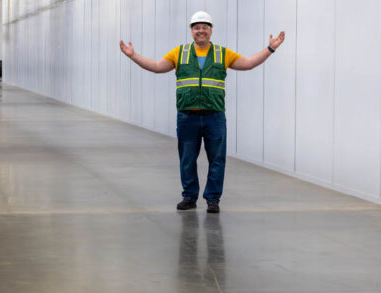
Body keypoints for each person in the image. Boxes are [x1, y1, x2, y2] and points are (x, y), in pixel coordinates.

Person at [119, 11, 285, 214]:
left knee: (217, 159)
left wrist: (270, 48)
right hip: (187, 116)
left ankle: (213, 199)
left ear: (211, 30)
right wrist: (133, 55)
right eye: (197, 27)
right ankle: (189, 196)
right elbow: (156, 66)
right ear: (191, 31)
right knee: (187, 158)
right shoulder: (179, 53)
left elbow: (249, 63)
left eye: (205, 27)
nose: (201, 31)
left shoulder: (222, 53)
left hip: (214, 117)